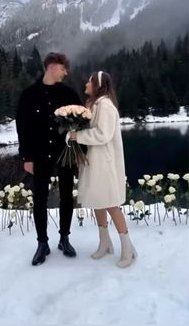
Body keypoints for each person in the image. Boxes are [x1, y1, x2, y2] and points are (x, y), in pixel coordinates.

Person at [16, 52, 82, 266]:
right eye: (63, 68)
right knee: (40, 199)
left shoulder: (70, 94)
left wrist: (80, 152)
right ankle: (42, 243)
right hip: (39, 154)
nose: (66, 72)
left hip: (65, 152)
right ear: (52, 66)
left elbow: (80, 125)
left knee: (66, 196)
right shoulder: (29, 95)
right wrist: (26, 156)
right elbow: (22, 127)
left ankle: (64, 238)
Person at [70, 71, 137, 268]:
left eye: (89, 81)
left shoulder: (106, 107)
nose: (86, 83)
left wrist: (77, 136)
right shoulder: (94, 105)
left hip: (105, 164)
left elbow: (103, 135)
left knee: (110, 204)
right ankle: (105, 242)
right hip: (94, 162)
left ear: (98, 85)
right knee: (98, 201)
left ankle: (128, 247)